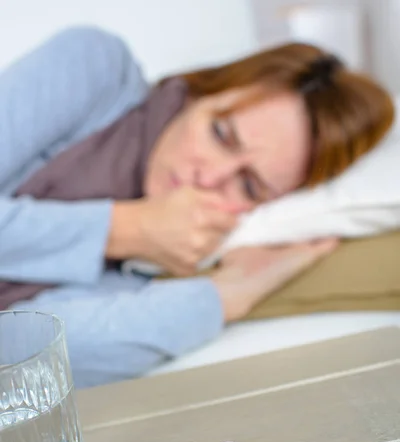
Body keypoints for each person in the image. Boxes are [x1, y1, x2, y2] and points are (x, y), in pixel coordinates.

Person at [0, 27, 394, 387]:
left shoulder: (172, 254)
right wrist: (124, 229)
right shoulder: (93, 66)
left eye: (249, 184)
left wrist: (226, 294)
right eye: (221, 134)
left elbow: (20, 352)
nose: (208, 178)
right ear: (201, 92)